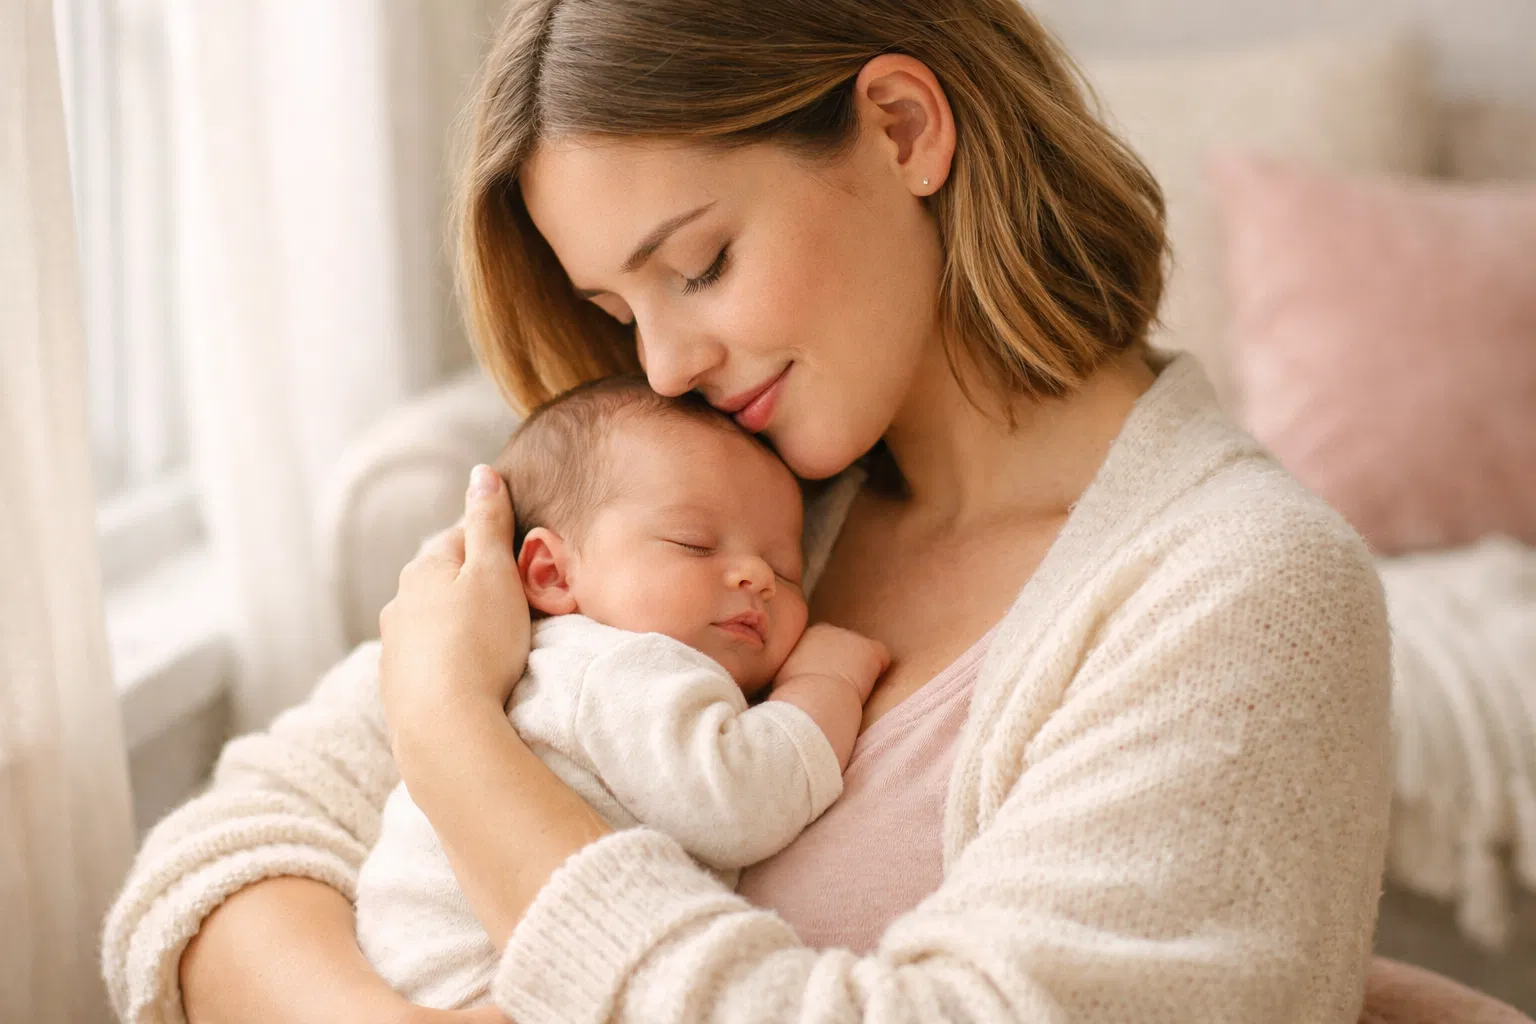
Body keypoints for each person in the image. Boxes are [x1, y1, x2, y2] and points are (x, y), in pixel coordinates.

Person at [102, 0, 1393, 1021]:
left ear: (900, 127)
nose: (662, 369)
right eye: (621, 312)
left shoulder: (1244, 592)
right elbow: (212, 866)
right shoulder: (711, 505)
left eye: (698, 265)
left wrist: (451, 739)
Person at [354, 376, 887, 1009]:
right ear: (551, 574)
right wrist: (823, 682)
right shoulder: (615, 667)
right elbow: (741, 795)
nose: (757, 578)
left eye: (786, 570)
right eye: (693, 544)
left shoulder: (522, 662)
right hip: (485, 983)